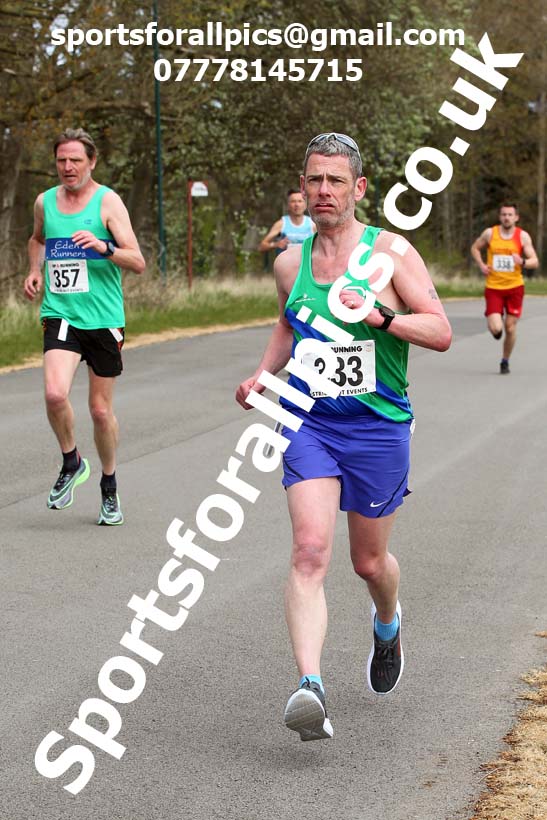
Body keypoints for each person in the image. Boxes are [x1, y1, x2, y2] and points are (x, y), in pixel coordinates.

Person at [236, 132, 451, 741]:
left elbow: (439, 332)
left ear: (358, 188)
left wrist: (380, 317)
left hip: (379, 427)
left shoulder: (391, 254)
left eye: (335, 181)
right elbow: (289, 324)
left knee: (367, 561)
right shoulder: (289, 263)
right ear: (302, 188)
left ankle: (388, 622)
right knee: (309, 552)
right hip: (310, 421)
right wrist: (261, 374)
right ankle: (311, 688)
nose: (323, 191)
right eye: (314, 180)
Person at [24, 128, 145, 525]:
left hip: (104, 318)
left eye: (75, 160)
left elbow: (137, 260)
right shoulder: (46, 202)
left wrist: (104, 248)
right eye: (61, 160)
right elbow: (38, 239)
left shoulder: (107, 202)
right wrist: (34, 271)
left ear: (92, 162)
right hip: (62, 312)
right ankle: (72, 460)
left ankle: (109, 484)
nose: (68, 167)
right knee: (55, 394)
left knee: (98, 409)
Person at [471, 203, 539, 374]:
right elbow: (475, 248)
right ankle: (496, 329)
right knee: (496, 329)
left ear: (516, 217)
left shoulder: (522, 236)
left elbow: (534, 261)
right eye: (503, 214)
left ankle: (505, 360)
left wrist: (522, 261)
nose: (506, 217)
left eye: (510, 214)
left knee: (510, 327)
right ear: (500, 216)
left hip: (515, 287)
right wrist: (481, 264)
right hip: (493, 287)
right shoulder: (490, 233)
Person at [258, 189, 315, 255]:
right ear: (288, 205)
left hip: (307, 264)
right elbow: (261, 246)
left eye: (300, 201)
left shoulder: (313, 224)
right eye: (293, 201)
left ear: (305, 205)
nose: (297, 204)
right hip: (285, 264)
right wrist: (276, 244)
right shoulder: (281, 224)